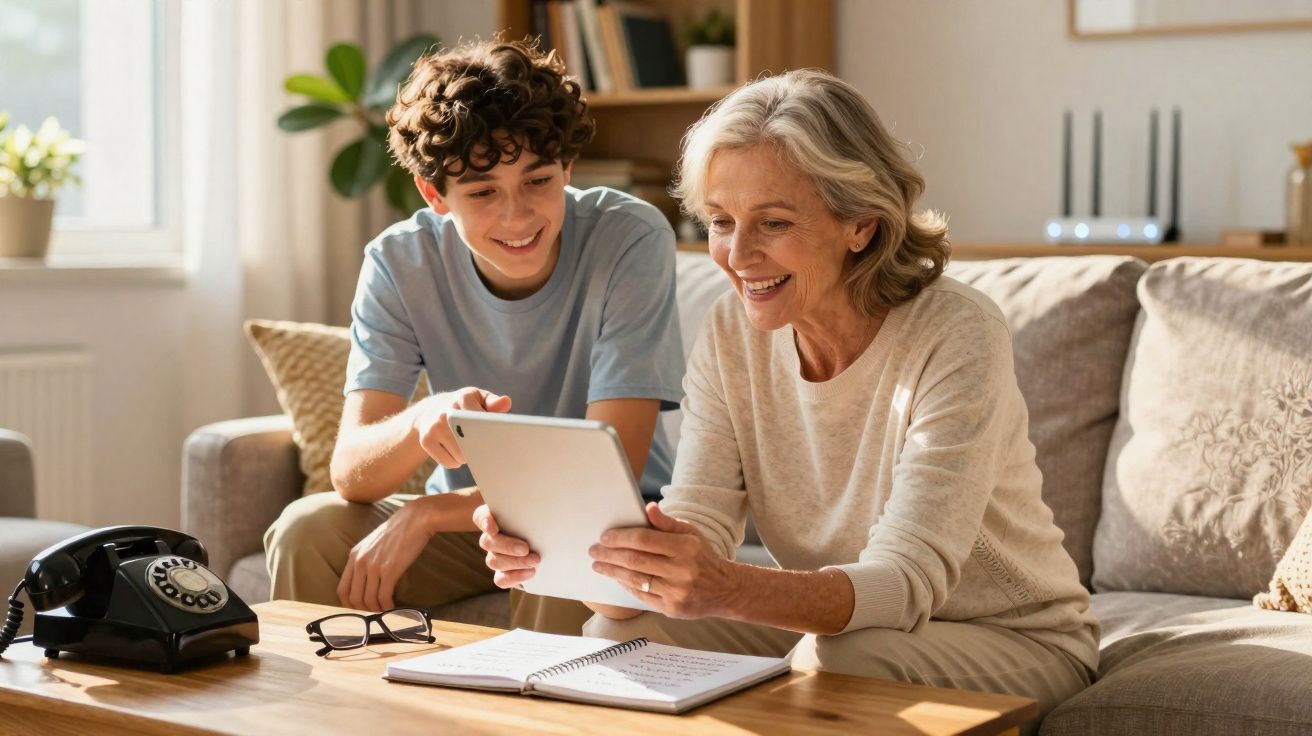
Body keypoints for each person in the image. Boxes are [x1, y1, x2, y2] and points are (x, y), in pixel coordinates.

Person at [476, 69, 1098, 729]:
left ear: (860, 223)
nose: (738, 254)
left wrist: (728, 585)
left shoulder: (956, 331)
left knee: (843, 659)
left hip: (1013, 636)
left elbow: (907, 581)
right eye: (720, 221)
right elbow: (701, 522)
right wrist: (575, 554)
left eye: (772, 223)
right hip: (846, 626)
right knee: (616, 633)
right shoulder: (730, 330)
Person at [264, 39, 685, 635]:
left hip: (608, 520)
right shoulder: (397, 262)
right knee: (308, 530)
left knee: (563, 549)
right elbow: (352, 473)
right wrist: (423, 418)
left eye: (538, 180)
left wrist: (431, 513)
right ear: (435, 195)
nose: (517, 218)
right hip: (476, 524)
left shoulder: (630, 239)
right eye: (483, 192)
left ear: (567, 168)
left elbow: (607, 468)